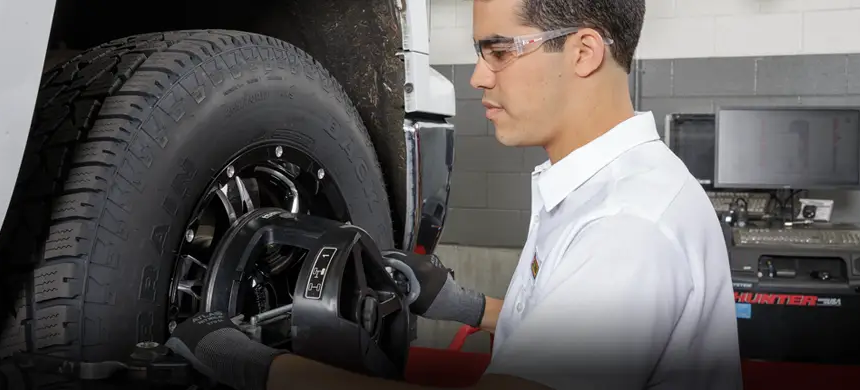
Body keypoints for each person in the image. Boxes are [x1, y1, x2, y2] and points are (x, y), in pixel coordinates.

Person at [163, 0, 744, 389]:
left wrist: (264, 369)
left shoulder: (629, 227)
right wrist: (468, 308)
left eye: (498, 52)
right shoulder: (611, 190)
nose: (478, 77)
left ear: (583, 52)